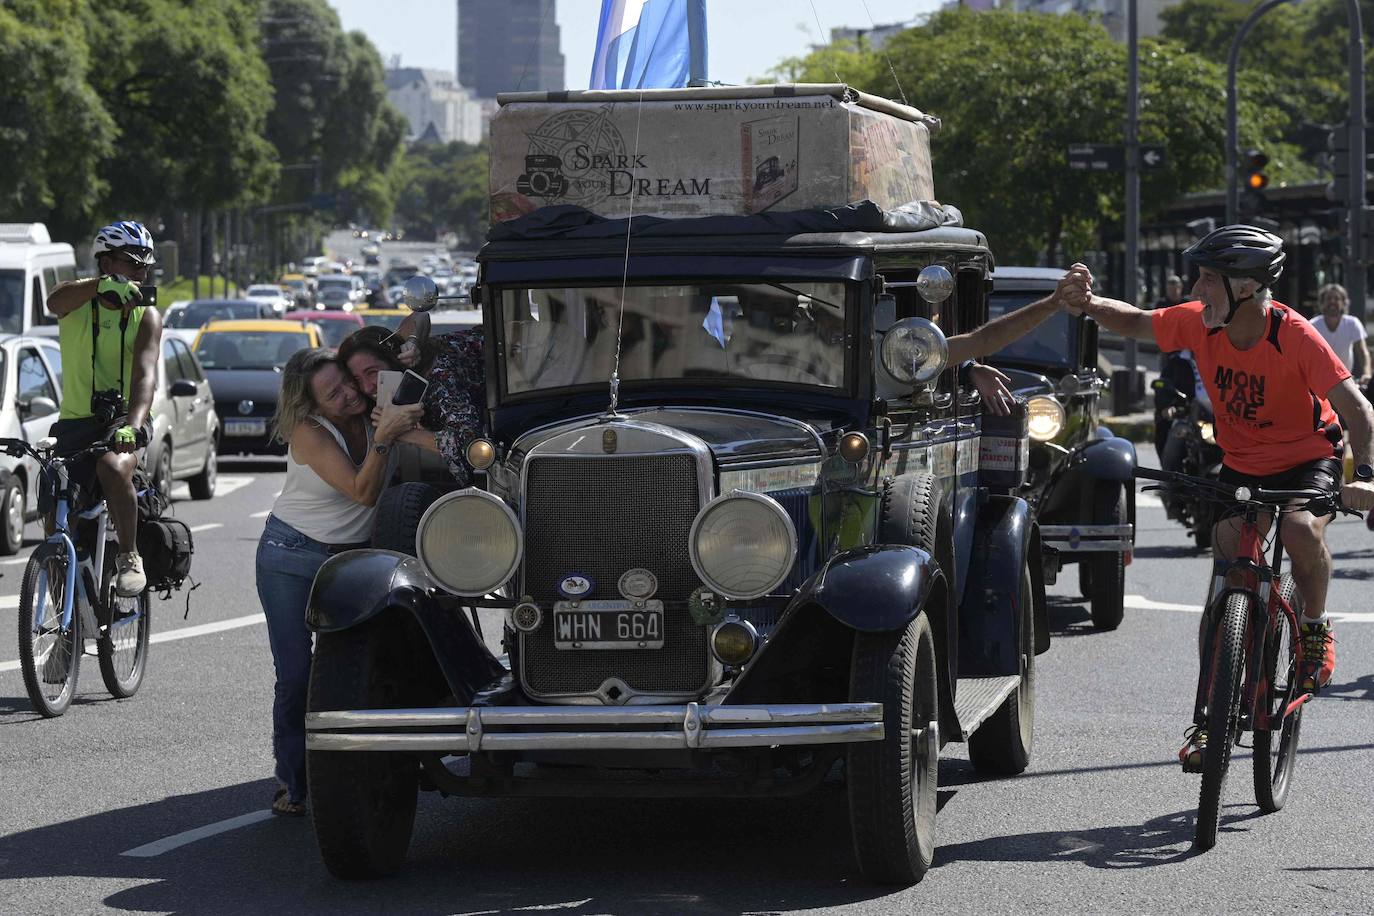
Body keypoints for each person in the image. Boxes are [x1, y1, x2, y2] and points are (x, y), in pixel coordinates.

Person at [1058, 225, 1374, 769]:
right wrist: (1088, 304)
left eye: (1208, 279)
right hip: (1241, 463)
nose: (1195, 288)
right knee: (1228, 571)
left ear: (1246, 287)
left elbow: (1359, 411)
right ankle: (1211, 721)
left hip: (1306, 457)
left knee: (1300, 531)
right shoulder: (1201, 324)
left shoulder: (1293, 334)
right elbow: (1137, 322)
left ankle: (1316, 630)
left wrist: (1365, 474)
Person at [254, 348, 422, 816]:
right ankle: (292, 782)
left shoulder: (373, 413)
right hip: (288, 554)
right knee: (295, 675)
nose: (349, 394)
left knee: (356, 669)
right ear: (313, 406)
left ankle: (354, 775)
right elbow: (362, 493)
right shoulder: (309, 432)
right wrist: (385, 438)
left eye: (347, 382)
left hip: (351, 558)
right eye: (334, 393)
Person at [44, 221, 164, 596]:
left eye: (146, 265)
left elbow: (145, 376)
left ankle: (129, 556)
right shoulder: (77, 304)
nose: (142, 273)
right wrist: (98, 288)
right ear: (107, 263)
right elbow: (54, 300)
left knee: (113, 467)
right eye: (133, 263)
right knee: (52, 491)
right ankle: (62, 594)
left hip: (123, 420)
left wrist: (134, 424)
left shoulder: (147, 315)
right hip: (74, 423)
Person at [338, 322, 485, 484]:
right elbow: (417, 317)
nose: (366, 387)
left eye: (372, 372)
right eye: (356, 379)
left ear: (395, 360)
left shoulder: (439, 379)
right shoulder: (406, 372)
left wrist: (395, 430)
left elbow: (473, 449)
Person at [1309, 283, 1370, 397]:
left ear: (1343, 303)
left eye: (1337, 298)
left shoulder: (1352, 323)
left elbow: (1363, 352)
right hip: (1319, 383)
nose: (1332, 302)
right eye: (1328, 299)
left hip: (1346, 381)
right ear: (1322, 303)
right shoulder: (1312, 325)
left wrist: (1366, 373)